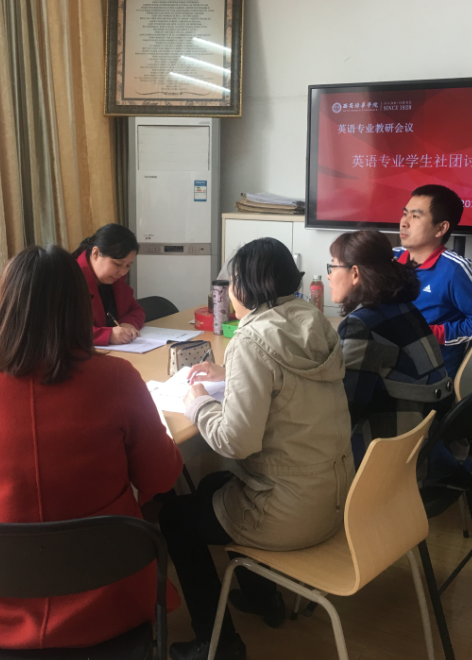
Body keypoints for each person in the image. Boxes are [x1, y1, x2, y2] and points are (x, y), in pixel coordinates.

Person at [0, 244, 183, 656]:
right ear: (79, 308)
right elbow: (161, 476)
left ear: (4, 308)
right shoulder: (118, 378)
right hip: (109, 588)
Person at [159, 238, 353, 660]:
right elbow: (285, 380)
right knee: (213, 484)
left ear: (245, 286)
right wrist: (230, 372)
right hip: (334, 498)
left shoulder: (251, 339)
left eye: (232, 281)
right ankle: (263, 598)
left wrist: (199, 403)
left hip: (289, 514)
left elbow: (236, 442)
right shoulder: (312, 319)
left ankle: (218, 644)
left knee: (174, 517)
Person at [327, 230, 453, 467]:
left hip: (385, 455)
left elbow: (344, 411)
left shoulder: (362, 325)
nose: (329, 276)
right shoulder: (405, 309)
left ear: (355, 273)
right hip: (423, 444)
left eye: (332, 267)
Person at [394, 184, 472, 377]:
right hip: (387, 361)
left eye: (415, 216)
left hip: (426, 377)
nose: (404, 222)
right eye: (405, 214)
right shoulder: (389, 259)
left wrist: (431, 333)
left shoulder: (455, 269)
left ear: (441, 228)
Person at [73, 223, 145, 345]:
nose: (122, 272)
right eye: (117, 264)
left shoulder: (114, 280)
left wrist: (128, 323)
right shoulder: (69, 279)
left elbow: (136, 310)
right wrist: (107, 335)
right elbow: (61, 329)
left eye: (128, 265)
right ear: (95, 253)